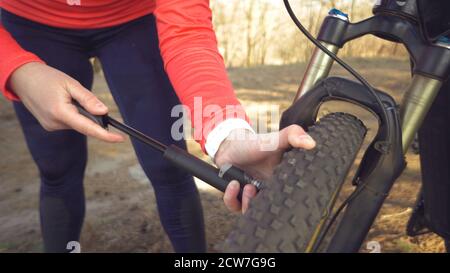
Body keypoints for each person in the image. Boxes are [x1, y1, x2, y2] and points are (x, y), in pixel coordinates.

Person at [0, 0, 315, 253]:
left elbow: (188, 30)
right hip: (29, 24)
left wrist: (228, 133)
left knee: (168, 168)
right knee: (56, 170)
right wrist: (16, 68)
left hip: (135, 19)